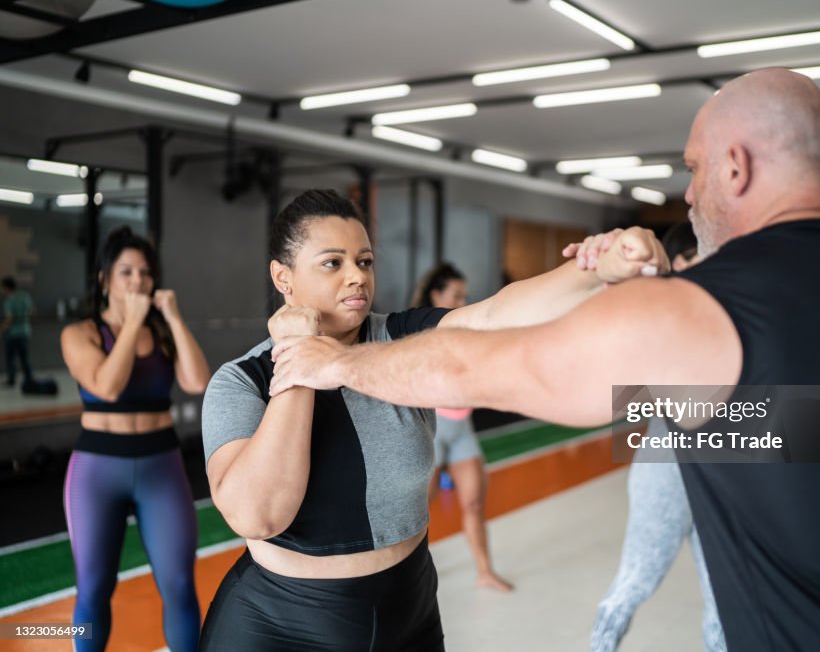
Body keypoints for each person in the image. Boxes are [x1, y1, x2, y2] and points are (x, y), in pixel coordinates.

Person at [269, 69, 820, 651]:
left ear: (735, 167)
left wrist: (333, 364)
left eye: (694, 168)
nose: (687, 192)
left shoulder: (707, 307)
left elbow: (474, 367)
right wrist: (624, 292)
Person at [199, 189, 659, 651]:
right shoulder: (242, 382)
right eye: (332, 263)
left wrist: (598, 267)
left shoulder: (402, 339)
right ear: (283, 277)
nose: (357, 277)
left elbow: (495, 315)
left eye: (365, 261)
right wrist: (296, 359)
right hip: (282, 626)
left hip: (409, 607)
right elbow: (257, 516)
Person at [60, 227, 210, 652]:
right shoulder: (80, 333)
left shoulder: (161, 331)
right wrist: (130, 322)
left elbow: (197, 381)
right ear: (105, 280)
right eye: (125, 272)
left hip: (161, 464)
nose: (137, 282)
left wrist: (174, 318)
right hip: (96, 470)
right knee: (93, 587)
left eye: (145, 273)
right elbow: (107, 386)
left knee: (180, 584)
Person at [590, 223, 725, 652]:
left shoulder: (726, 309)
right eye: (693, 258)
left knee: (725, 596)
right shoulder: (659, 312)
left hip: (723, 468)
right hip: (666, 466)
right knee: (636, 581)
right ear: (678, 262)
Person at [411, 262, 513, 592]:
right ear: (436, 295)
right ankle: (408, 579)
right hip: (433, 430)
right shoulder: (419, 332)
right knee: (418, 513)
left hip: (462, 429)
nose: (462, 301)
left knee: (474, 503)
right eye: (456, 295)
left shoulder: (466, 329)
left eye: (464, 295)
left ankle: (485, 571)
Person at [2, 275, 35, 387]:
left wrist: (1, 329)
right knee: (25, 358)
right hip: (25, 331)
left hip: (12, 333)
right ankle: (29, 379)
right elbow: (31, 310)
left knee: (10, 358)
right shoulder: (25, 296)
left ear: (6, 287)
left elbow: (9, 319)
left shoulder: (10, 300)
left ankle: (11, 380)